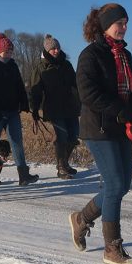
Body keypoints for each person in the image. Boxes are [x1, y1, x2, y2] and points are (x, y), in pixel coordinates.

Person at [69, 3, 132, 264]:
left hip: (121, 127)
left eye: (126, 22)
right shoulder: (90, 55)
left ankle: (81, 219)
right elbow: (88, 93)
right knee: (114, 185)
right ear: (104, 25)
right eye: (119, 23)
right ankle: (112, 248)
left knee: (122, 186)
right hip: (99, 128)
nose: (123, 28)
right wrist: (120, 110)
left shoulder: (126, 55)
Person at [0, 32, 38, 186]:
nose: (9, 54)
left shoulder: (12, 65)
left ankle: (23, 175)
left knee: (17, 140)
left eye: (11, 52)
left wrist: (24, 102)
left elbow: (19, 86)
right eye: (6, 52)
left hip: (12, 111)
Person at [30, 34, 81, 179]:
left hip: (70, 106)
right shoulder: (41, 67)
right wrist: (34, 109)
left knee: (74, 135)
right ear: (47, 50)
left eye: (57, 48)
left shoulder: (67, 64)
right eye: (53, 48)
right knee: (62, 136)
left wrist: (82, 100)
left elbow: (76, 84)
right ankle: (60, 168)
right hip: (53, 108)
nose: (56, 51)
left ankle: (64, 163)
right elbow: (36, 90)